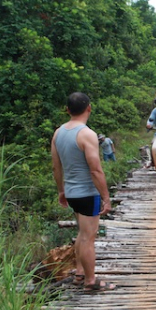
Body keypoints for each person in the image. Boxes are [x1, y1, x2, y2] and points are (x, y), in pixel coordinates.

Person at [51, 92, 114, 292]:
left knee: (82, 233)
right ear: (89, 108)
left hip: (71, 192)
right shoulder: (87, 134)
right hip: (87, 193)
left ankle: (79, 273)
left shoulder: (58, 133)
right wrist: (106, 197)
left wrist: (61, 191)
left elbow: (56, 167)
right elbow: (95, 169)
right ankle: (90, 280)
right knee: (89, 237)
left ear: (68, 110)